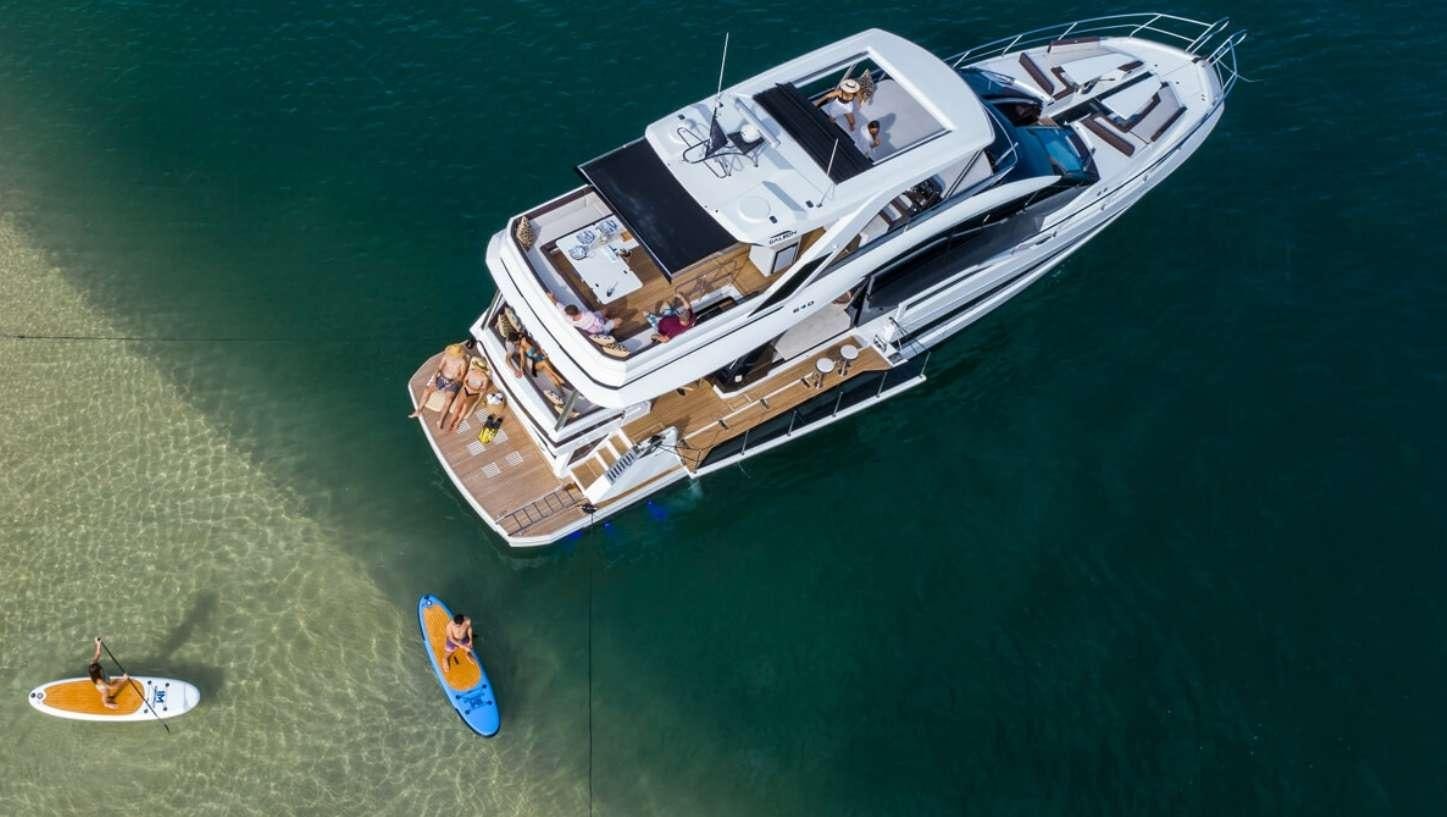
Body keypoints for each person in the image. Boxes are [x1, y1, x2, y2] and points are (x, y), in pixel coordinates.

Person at [409, 343, 468, 428]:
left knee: (449, 400)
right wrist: (434, 378)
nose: (452, 356)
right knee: (427, 390)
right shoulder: (446, 357)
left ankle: (441, 420)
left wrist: (453, 382)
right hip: (442, 378)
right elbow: (439, 368)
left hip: (453, 381)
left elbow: (462, 375)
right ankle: (418, 410)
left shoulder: (462, 362)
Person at [444, 356, 490, 432]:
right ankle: (450, 423)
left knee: (465, 406)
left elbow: (483, 389)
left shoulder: (484, 378)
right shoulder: (471, 371)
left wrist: (474, 389)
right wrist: (468, 387)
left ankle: (457, 423)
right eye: (478, 367)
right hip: (465, 390)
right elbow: (464, 381)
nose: (478, 369)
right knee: (457, 408)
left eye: (480, 368)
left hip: (474, 394)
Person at [88, 638, 130, 709]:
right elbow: (112, 687)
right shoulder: (99, 681)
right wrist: (123, 680)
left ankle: (110, 699)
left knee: (113, 683)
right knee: (106, 693)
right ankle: (106, 703)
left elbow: (98, 654)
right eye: (99, 668)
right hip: (102, 686)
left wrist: (98, 644)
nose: (99, 666)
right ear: (97, 672)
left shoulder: (93, 664)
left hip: (104, 680)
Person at [547, 292, 617, 336]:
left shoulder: (568, 319)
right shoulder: (589, 315)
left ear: (569, 314)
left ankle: (607, 321)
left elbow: (558, 304)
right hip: (598, 330)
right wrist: (605, 321)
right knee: (616, 320)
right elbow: (600, 324)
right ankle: (609, 329)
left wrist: (552, 297)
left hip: (590, 325)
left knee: (604, 312)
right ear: (577, 309)